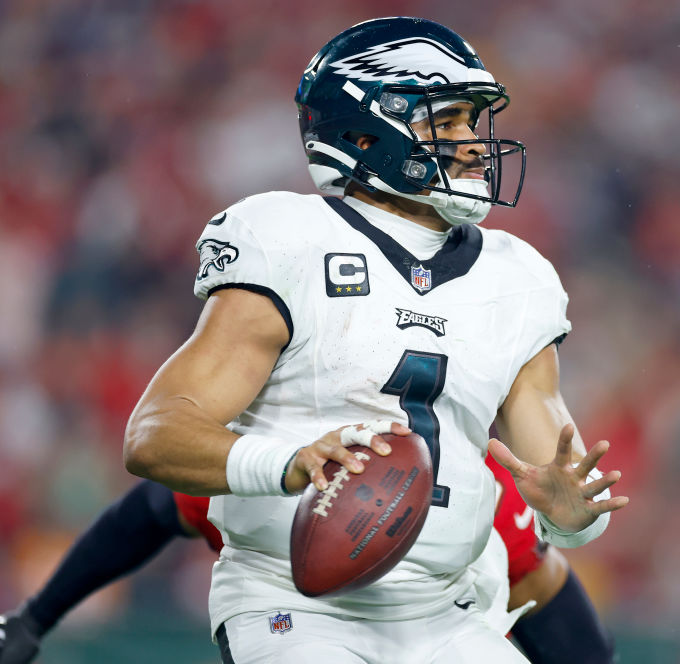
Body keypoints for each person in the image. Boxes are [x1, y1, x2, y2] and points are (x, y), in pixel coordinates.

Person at [122, 15, 627, 664]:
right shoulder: (284, 238)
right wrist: (290, 462)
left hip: (450, 614)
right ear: (364, 130)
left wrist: (573, 516)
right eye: (446, 122)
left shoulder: (518, 275)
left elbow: (556, 472)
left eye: (473, 123)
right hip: (293, 607)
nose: (473, 145)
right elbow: (156, 435)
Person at [0, 460, 615, 663]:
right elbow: (154, 509)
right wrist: (35, 617)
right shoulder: (262, 466)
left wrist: (36, 619)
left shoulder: (475, 495)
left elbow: (542, 582)